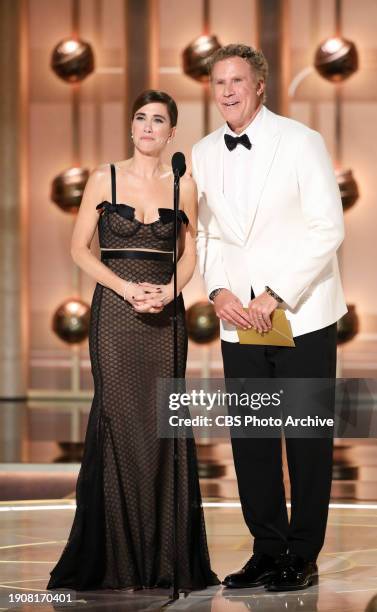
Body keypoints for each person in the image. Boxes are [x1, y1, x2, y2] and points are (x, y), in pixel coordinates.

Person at [47, 90, 219, 593]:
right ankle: (117, 558)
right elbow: (79, 249)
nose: (147, 126)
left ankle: (166, 558)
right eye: (140, 118)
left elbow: (190, 254)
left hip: (167, 317)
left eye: (158, 120)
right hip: (115, 316)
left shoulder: (184, 183)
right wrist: (124, 289)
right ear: (131, 128)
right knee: (118, 422)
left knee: (162, 425)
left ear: (171, 133)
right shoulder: (105, 177)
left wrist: (171, 290)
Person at [192, 44, 347, 592]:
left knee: (306, 438)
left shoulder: (303, 140)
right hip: (237, 315)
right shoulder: (204, 151)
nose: (227, 91)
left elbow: (328, 228)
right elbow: (203, 232)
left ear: (260, 85)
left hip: (301, 313)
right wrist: (217, 289)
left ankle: (302, 553)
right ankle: (266, 548)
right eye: (218, 82)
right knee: (251, 438)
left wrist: (276, 293)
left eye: (237, 80)